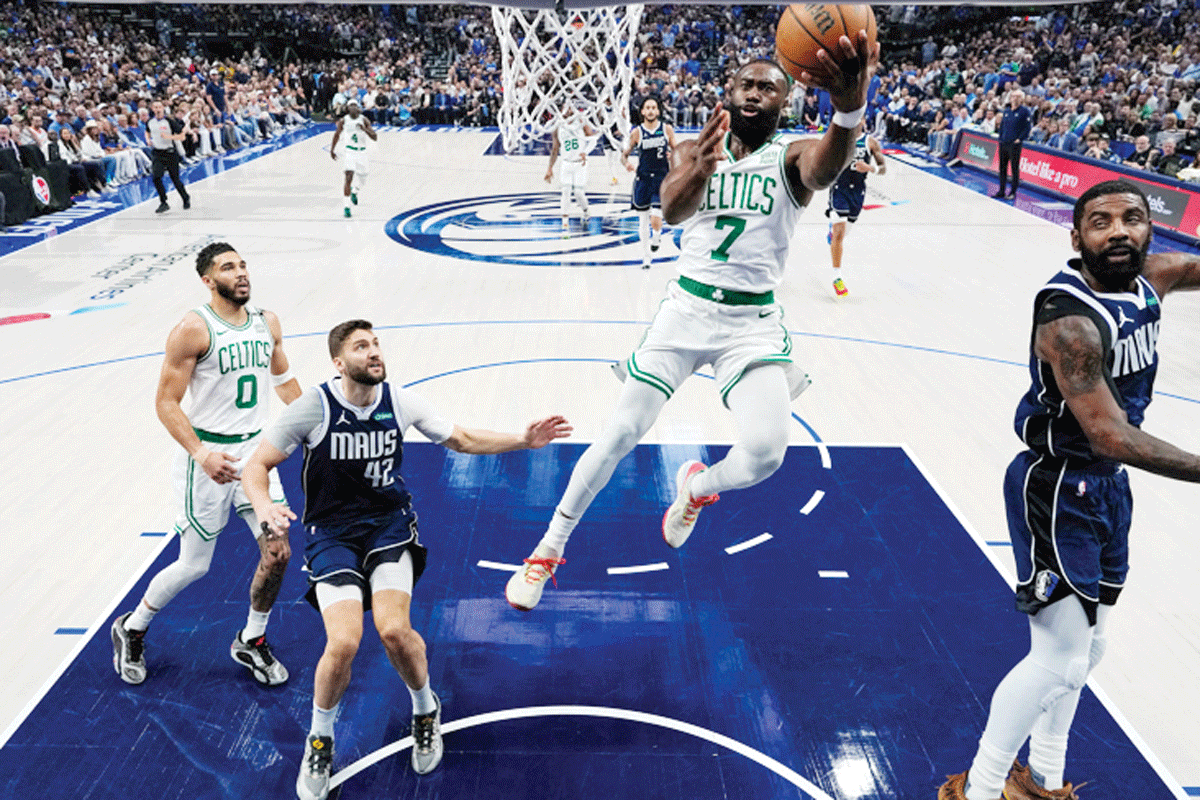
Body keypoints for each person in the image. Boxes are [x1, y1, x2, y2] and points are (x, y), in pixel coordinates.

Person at [506, 35, 880, 611]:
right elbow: (673, 209)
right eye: (746, 85)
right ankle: (548, 550)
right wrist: (701, 169)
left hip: (751, 322)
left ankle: (695, 488)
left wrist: (849, 110)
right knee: (620, 433)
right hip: (685, 310)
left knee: (766, 453)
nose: (755, 93)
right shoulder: (694, 150)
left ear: (785, 103)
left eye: (769, 88)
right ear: (727, 95)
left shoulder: (792, 154)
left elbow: (827, 167)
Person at [939, 180, 1200, 800]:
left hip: (1108, 487)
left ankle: (1046, 780)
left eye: (1132, 219)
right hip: (1056, 487)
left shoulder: (1154, 277)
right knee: (1058, 655)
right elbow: (1108, 433)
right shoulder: (1069, 320)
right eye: (1101, 221)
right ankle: (979, 789)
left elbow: (1192, 266)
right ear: (1076, 236)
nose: (1118, 232)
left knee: (1093, 647)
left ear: (1150, 230)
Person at [240, 320, 571, 800]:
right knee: (344, 643)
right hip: (332, 535)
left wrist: (524, 439)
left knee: (394, 630)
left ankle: (424, 708)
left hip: (389, 528)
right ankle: (320, 739)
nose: (373, 351)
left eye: (375, 343)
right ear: (339, 362)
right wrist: (265, 505)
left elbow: (460, 439)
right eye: (361, 346)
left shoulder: (401, 400)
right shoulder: (313, 406)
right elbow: (256, 464)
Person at [111, 243, 302, 687]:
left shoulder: (266, 322)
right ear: (207, 279)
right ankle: (132, 626)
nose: (241, 273)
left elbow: (283, 380)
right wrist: (201, 453)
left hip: (255, 458)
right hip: (209, 457)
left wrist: (318, 423)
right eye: (228, 267)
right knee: (195, 565)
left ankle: (251, 640)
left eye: (243, 265)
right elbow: (165, 402)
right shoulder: (192, 330)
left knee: (278, 552)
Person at [825, 125, 885, 298]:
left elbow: (883, 169)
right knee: (839, 232)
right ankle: (837, 277)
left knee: (843, 233)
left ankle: (834, 235)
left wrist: (870, 168)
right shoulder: (839, 139)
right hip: (839, 188)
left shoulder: (870, 142)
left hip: (857, 191)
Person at [621, 96, 677, 268]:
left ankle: (657, 235)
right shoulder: (637, 132)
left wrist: (673, 157)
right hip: (643, 179)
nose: (651, 110)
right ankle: (646, 257)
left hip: (661, 179)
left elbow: (678, 151)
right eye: (648, 107)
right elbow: (624, 156)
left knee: (655, 218)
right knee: (643, 221)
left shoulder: (666, 129)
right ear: (643, 111)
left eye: (654, 107)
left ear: (658, 111)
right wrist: (628, 164)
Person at [545, 104, 597, 237]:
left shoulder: (580, 121)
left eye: (570, 108)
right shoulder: (557, 126)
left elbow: (593, 139)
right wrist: (550, 168)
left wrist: (586, 152)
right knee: (566, 192)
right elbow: (555, 149)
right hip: (566, 164)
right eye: (565, 107)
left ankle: (586, 211)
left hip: (580, 163)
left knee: (578, 192)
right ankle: (565, 223)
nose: (568, 110)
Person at [329, 99, 377, 218]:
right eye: (352, 106)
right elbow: (337, 134)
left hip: (362, 152)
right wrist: (332, 149)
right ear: (348, 108)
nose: (354, 107)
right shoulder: (344, 120)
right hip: (350, 151)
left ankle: (355, 190)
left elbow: (375, 137)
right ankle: (346, 207)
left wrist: (364, 129)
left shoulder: (364, 120)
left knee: (364, 178)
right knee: (348, 177)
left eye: (356, 105)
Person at [147, 99, 191, 214]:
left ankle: (185, 197)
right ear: (152, 109)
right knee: (156, 177)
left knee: (175, 179)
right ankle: (163, 202)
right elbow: (147, 131)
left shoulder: (169, 122)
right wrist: (147, 139)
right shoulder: (150, 122)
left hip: (170, 153)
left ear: (163, 108)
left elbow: (182, 137)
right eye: (155, 107)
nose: (157, 109)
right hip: (157, 153)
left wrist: (169, 137)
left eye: (159, 107)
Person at [993, 89, 1031, 199]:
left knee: (1014, 168)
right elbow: (1002, 125)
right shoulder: (1007, 111)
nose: (1015, 98)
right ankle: (1001, 190)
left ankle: (1013, 192)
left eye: (1018, 96)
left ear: (1021, 99)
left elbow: (1027, 127)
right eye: (1013, 96)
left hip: (1014, 144)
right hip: (1004, 143)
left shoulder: (1024, 111)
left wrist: (1020, 139)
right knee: (1002, 167)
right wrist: (1000, 137)